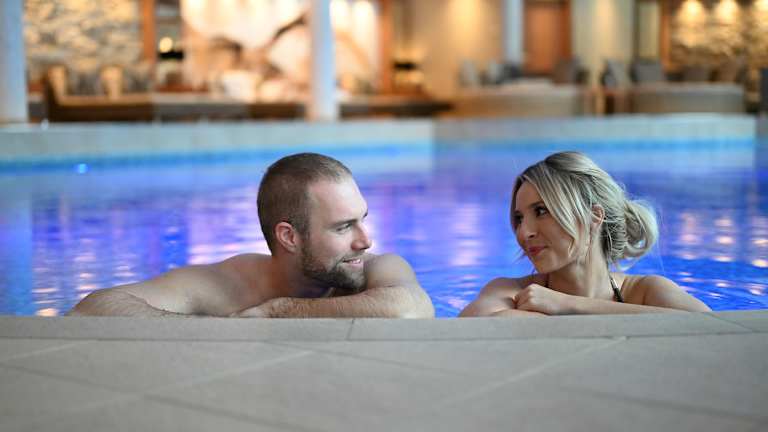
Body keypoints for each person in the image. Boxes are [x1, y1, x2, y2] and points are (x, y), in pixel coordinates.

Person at [69, 153, 434, 318]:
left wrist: (281, 311)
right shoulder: (231, 284)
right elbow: (97, 306)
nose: (365, 240)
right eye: (343, 226)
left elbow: (410, 308)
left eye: (362, 219)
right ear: (289, 237)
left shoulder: (376, 269)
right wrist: (208, 329)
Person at [460, 151, 710, 317]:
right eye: (519, 218)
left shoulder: (645, 291)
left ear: (594, 217)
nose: (524, 232)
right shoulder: (511, 292)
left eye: (541, 211)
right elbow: (470, 329)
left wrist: (569, 305)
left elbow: (715, 327)